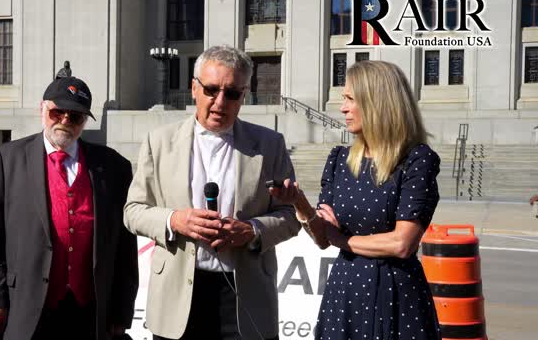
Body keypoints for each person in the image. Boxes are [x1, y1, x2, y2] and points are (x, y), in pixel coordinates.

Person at [123, 45, 300, 340]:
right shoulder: (159, 141)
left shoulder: (270, 144)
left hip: (247, 298)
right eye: (211, 90)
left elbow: (292, 216)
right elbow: (133, 211)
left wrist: (253, 230)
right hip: (177, 298)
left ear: (244, 95)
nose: (220, 102)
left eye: (232, 93)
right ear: (194, 88)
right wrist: (174, 221)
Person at [272, 60, 442, 339]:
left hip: (395, 295)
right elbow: (322, 237)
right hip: (345, 291)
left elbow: (402, 243)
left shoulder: (416, 160)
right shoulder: (339, 160)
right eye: (344, 99)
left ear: (377, 103)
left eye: (351, 99)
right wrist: (300, 204)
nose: (343, 108)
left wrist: (344, 240)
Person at [0, 64, 138, 340]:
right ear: (42, 109)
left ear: (85, 122)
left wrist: (121, 314)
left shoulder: (113, 167)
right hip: (26, 309)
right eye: (57, 112)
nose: (64, 120)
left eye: (75, 117)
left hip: (90, 311)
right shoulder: (9, 159)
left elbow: (125, 250)